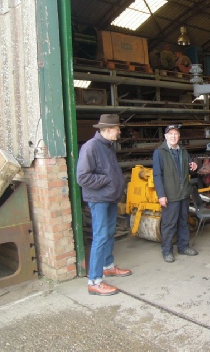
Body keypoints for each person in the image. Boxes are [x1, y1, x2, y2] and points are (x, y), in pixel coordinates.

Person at [77, 114, 132, 296]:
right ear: (108, 130)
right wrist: (108, 180)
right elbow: (82, 177)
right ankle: (94, 280)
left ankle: (107, 265)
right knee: (100, 237)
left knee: (108, 233)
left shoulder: (108, 146)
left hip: (109, 198)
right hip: (99, 199)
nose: (119, 131)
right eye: (117, 128)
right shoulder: (90, 147)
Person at [153, 125, 198, 263]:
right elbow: (157, 175)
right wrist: (161, 195)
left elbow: (189, 168)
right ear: (166, 136)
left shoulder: (183, 151)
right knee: (169, 224)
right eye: (170, 134)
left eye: (176, 134)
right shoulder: (159, 152)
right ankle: (167, 251)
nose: (173, 136)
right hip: (170, 194)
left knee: (184, 222)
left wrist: (194, 166)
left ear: (179, 136)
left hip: (183, 193)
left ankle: (183, 247)